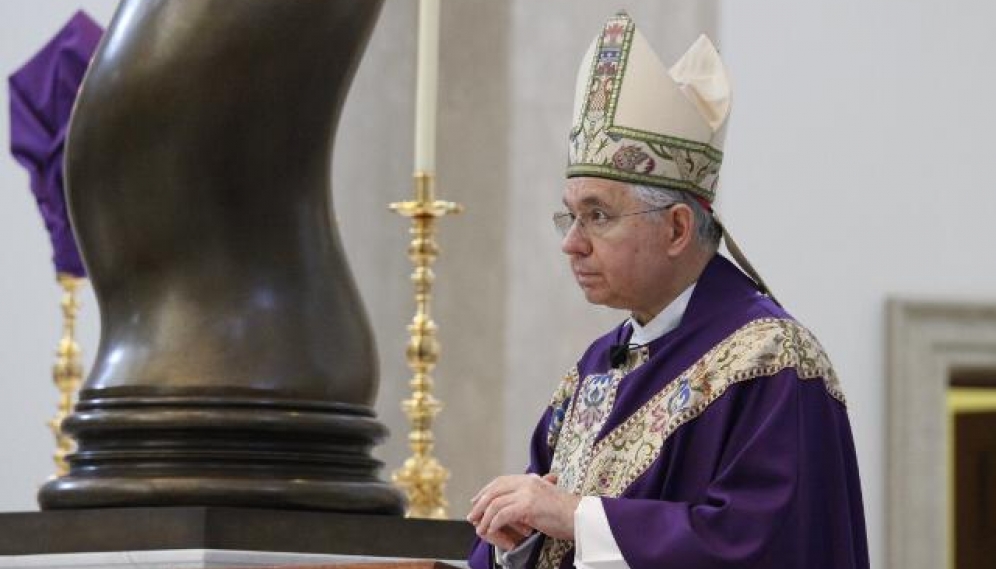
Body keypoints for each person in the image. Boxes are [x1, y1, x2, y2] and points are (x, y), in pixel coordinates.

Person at [466, 11, 869, 569]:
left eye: (598, 215)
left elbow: (765, 547)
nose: (572, 245)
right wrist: (521, 539)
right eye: (570, 217)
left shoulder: (771, 365)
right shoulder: (595, 370)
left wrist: (575, 517)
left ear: (678, 228)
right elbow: (549, 524)